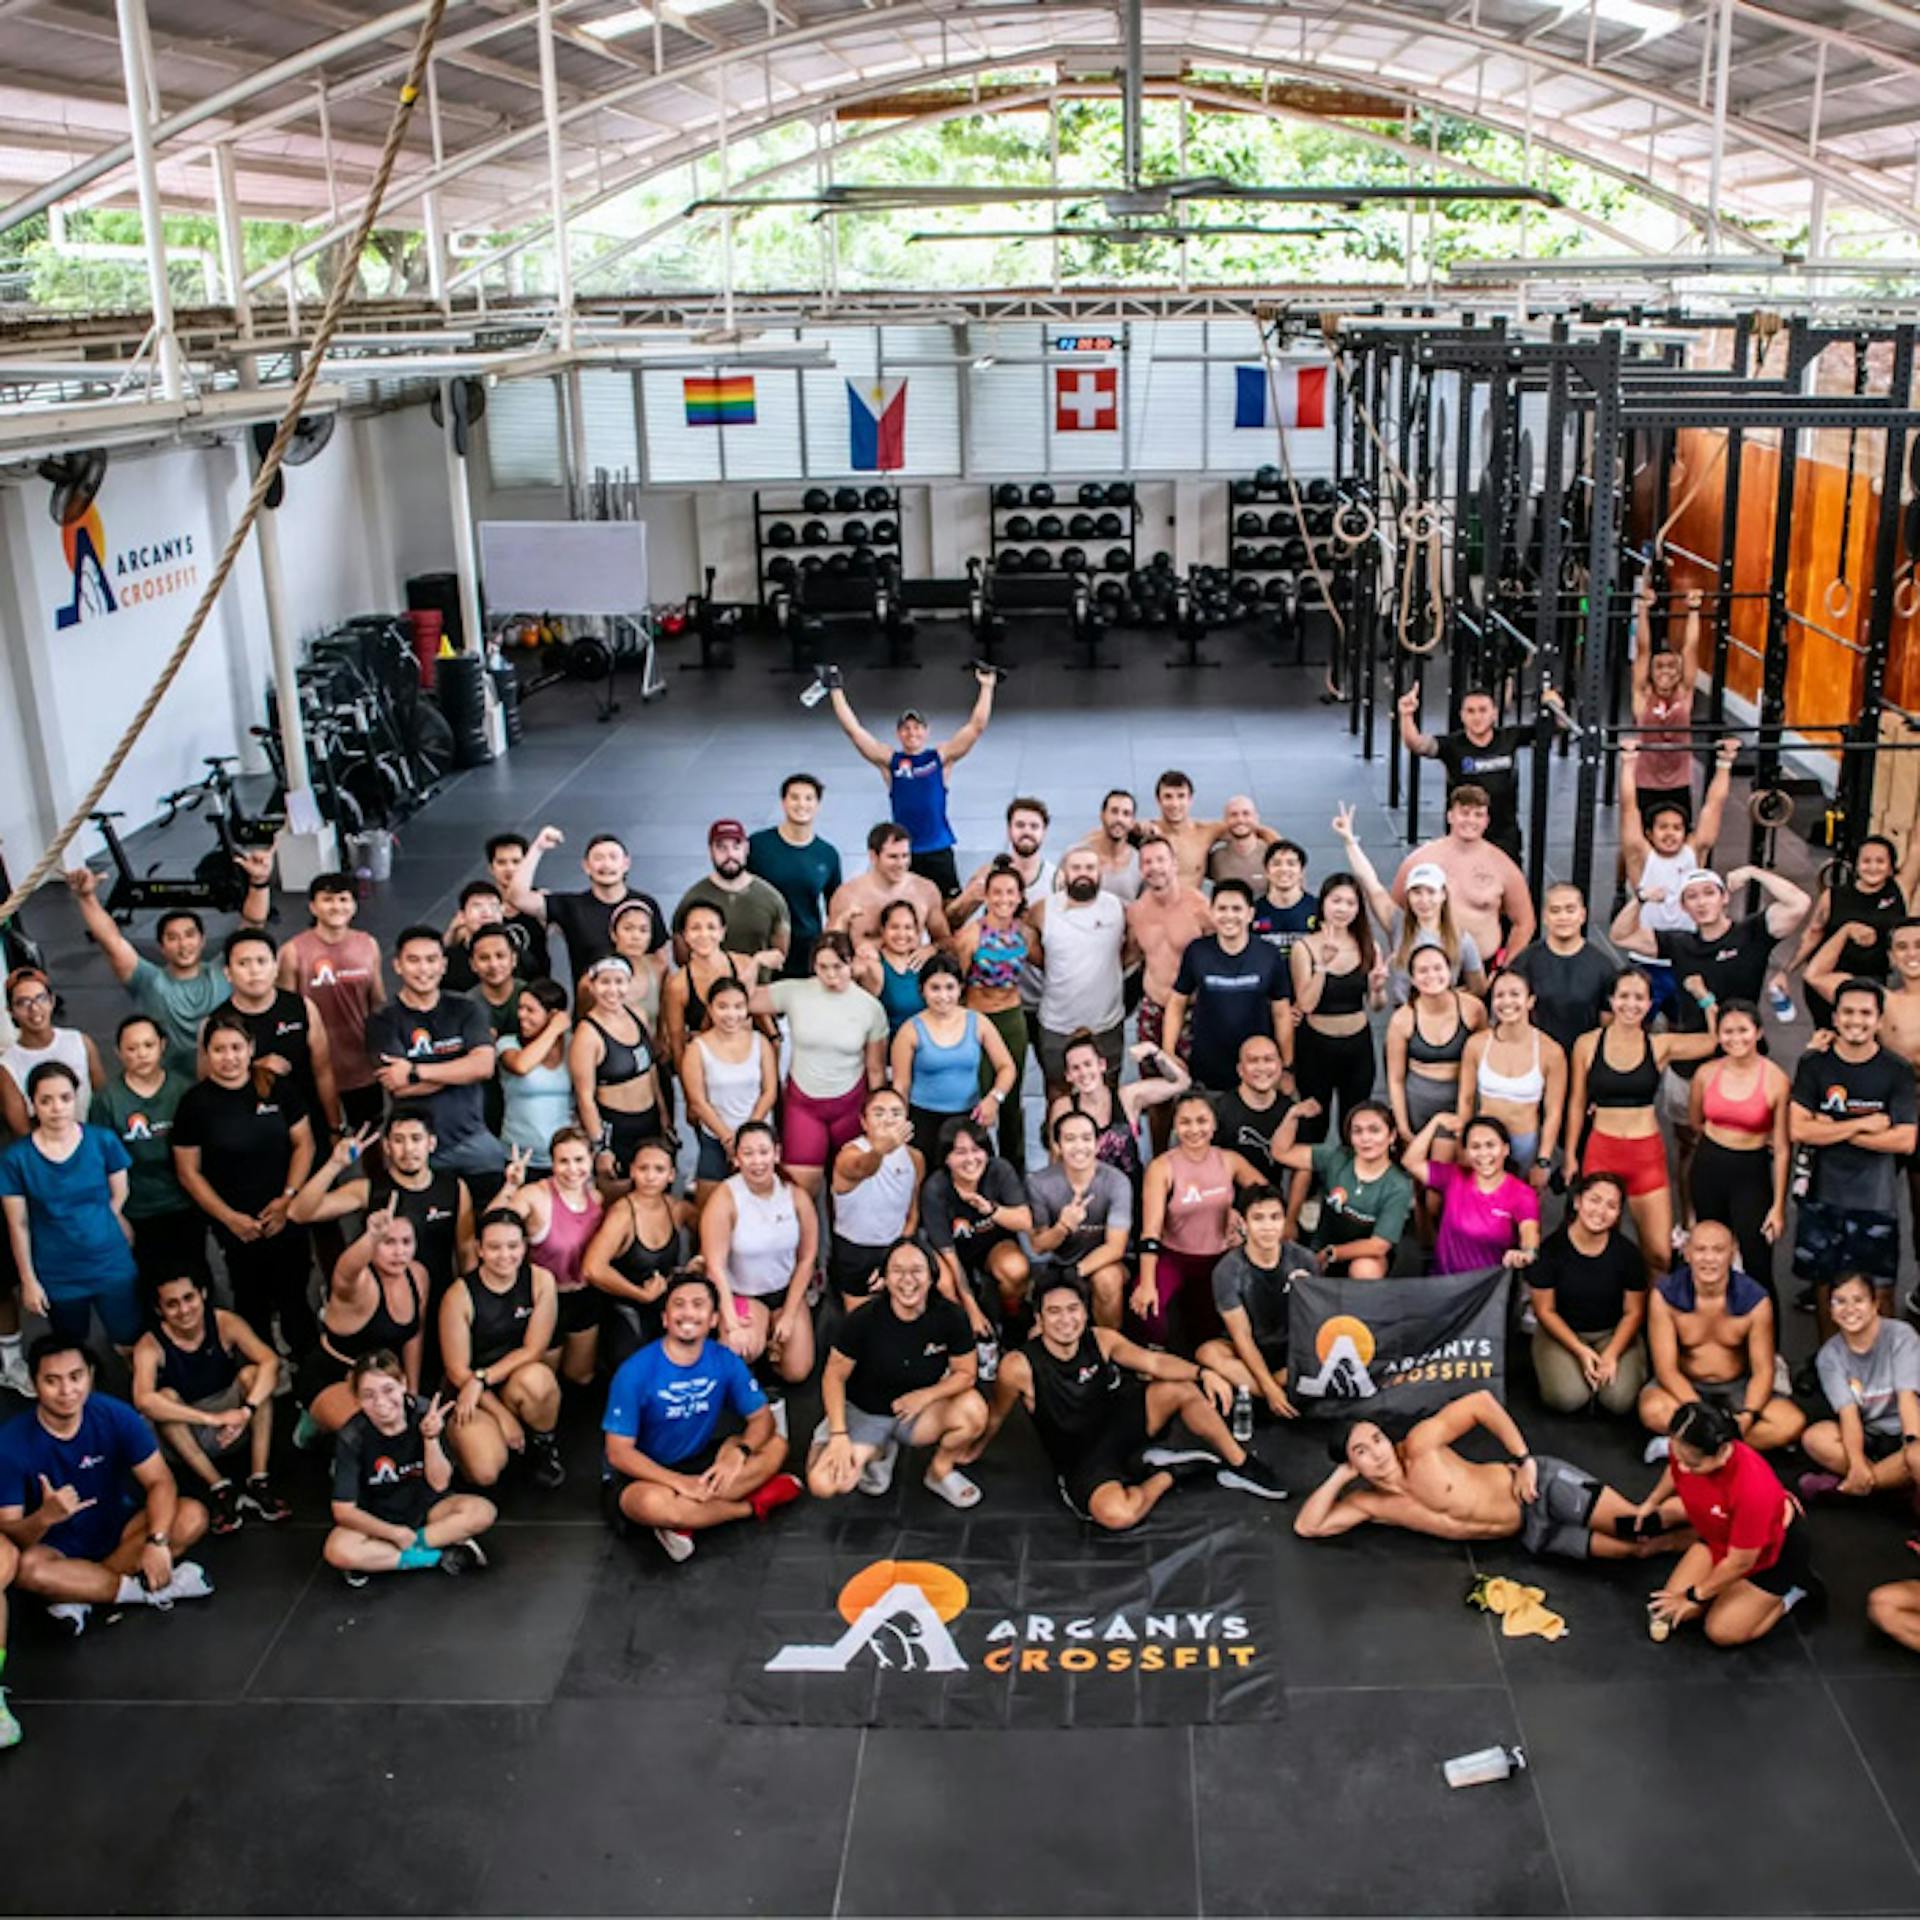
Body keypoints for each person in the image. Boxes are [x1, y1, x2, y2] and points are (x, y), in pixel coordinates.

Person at [967, 1271, 1287, 1527]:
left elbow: (1154, 1363)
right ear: (1039, 1318)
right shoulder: (1018, 1367)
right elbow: (997, 1414)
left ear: (1085, 1311)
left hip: (1119, 1424)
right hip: (1083, 1460)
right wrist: (973, 1450)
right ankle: (1171, 1473)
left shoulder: (1102, 1340)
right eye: (1054, 1312)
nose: (1066, 1320)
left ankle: (1241, 1464)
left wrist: (1203, 1373)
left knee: (1183, 1389)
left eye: (1073, 1309)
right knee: (1118, 1516)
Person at [1296, 1388, 1685, 1561]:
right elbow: (1308, 1527)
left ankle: (1717, 1508)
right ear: (1353, 1464)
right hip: (1533, 1534)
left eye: (1377, 1440)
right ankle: (1706, 1542)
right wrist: (1338, 1478)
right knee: (1640, 1550)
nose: (1377, 1453)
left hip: (1539, 1489)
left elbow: (1481, 1403)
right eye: (1361, 1452)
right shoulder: (1371, 1503)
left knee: (1635, 1525)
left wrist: (1525, 1458)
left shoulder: (1419, 1446)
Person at [0, 1335, 213, 1628]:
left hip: (118, 1528)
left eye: (76, 1377)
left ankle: (81, 1593)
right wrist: (44, 1518)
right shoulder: (10, 1444)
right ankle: (142, 1593)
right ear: (34, 1384)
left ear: (90, 1375)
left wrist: (158, 1540)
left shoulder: (115, 1415)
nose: (66, 1390)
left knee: (191, 1516)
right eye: (52, 1381)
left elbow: (160, 1481)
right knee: (28, 1570)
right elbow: (11, 1535)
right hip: (56, 1546)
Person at [602, 1271, 802, 1562]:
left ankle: (688, 1521)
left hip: (699, 1462)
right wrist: (679, 1484)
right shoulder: (634, 1372)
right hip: (644, 1475)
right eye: (678, 1304)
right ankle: (749, 1506)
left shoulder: (724, 1360)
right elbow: (619, 1454)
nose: (688, 1312)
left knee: (777, 1446)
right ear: (665, 1318)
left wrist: (740, 1453)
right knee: (654, 1505)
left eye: (698, 1305)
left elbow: (762, 1419)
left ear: (713, 1320)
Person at [1612, 864, 1811, 1140]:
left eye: (1709, 893)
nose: (1702, 902)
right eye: (1692, 896)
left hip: (1741, 1053)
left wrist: (1754, 872)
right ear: (1683, 907)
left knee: (1746, 1135)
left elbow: (1799, 903)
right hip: (1690, 1059)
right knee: (1687, 1140)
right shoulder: (1679, 944)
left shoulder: (1752, 933)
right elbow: (1620, 935)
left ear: (1724, 897)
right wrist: (1642, 899)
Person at [172, 1011, 316, 1356]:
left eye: (237, 1047)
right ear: (207, 1053)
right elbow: (189, 1172)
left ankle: (310, 1370)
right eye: (219, 1050)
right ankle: (265, 1368)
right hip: (237, 1226)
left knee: (295, 1294)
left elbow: (304, 1144)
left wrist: (288, 1199)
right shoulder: (195, 1104)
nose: (229, 1057)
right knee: (252, 1300)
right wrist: (229, 1218)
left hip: (285, 1215)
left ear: (251, 1048)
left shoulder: (277, 1088)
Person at [807, 1238, 988, 1510]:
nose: (907, 1280)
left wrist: (925, 1396)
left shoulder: (951, 1317)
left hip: (916, 1413)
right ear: (884, 1279)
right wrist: (839, 1434)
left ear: (931, 1277)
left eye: (916, 1270)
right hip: (865, 1411)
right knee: (824, 1483)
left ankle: (939, 1472)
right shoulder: (862, 1319)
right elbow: (833, 1376)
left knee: (974, 1410)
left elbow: (966, 1374)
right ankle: (878, 1451)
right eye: (897, 1271)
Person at [62, 850, 272, 1075]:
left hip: (223, 1079)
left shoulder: (223, 971)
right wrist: (87, 898)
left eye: (190, 935)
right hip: (171, 1088)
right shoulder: (147, 981)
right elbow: (111, 940)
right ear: (161, 946)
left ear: (202, 941)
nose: (183, 944)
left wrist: (259, 882)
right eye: (173, 938)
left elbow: (253, 924)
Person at [1563, 969, 1715, 1275]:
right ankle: (1616, 1315)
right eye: (1624, 996)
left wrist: (1703, 996)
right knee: (1599, 1246)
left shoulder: (1660, 1046)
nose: (1630, 1004)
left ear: (1649, 1004)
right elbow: (1577, 1103)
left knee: (1659, 1255)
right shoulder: (1587, 1045)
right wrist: (1569, 1157)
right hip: (1602, 1152)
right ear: (1612, 1000)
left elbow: (1714, 1040)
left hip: (1645, 1155)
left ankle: (1653, 1318)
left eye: (1639, 998)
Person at [1789, 977, 1917, 1324]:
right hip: (1821, 1197)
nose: (1855, 1020)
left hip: (1875, 1201)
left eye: (1865, 1013)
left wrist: (1828, 1128)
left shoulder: (1897, 1071)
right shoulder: (1814, 1065)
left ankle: (1882, 1372)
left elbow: (1905, 1140)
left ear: (1878, 1021)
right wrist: (1862, 1125)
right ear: (1834, 1017)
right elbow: (1798, 1128)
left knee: (1880, 1291)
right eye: (1847, 1012)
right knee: (1827, 1289)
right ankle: (1830, 1373)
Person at [1640, 1400, 1817, 1647]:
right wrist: (1652, 1502)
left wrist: (1694, 1594)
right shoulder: (1685, 1445)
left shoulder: (1752, 1489)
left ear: (1722, 1453)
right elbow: (1674, 1469)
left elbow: (1740, 1561)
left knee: (1720, 1631)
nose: (1682, 1467)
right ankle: (1731, 1593)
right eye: (1676, 1453)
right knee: (1679, 1612)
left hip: (1768, 1556)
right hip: (1722, 1535)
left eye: (1692, 1464)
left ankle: (1790, 1594)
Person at [288, 1111, 475, 1341]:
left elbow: (466, 1251)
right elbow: (299, 1213)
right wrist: (335, 1165)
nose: (408, 1149)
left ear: (431, 1143)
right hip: (385, 1310)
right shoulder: (369, 1189)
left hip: (439, 1301)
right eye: (398, 1140)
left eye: (416, 1139)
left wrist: (469, 1304)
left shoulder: (455, 1188)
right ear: (386, 1147)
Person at [131, 1271, 288, 1532]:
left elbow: (269, 1360)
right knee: (163, 1400)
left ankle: (258, 1479)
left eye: (188, 1298)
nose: (183, 1310)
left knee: (253, 1375)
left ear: (202, 1294)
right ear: (159, 1310)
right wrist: (213, 1419)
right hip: (188, 1434)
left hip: (234, 1425)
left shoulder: (225, 1322)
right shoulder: (149, 1345)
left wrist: (245, 1412)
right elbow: (143, 1400)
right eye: (172, 1304)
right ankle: (219, 1487)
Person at [0, 1061, 141, 1353]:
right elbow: (19, 1224)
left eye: (65, 1098)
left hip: (109, 1262)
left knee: (129, 1338)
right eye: (46, 1100)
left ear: (76, 1098)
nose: (56, 1108)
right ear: (33, 1104)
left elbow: (120, 1192)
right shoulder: (17, 1158)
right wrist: (29, 1281)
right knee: (70, 1346)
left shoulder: (102, 1141)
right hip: (57, 1271)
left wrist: (103, 1222)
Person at [322, 1352, 494, 1584]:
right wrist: (393, 1533)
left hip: (427, 1510)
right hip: (377, 1518)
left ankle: (384, 1557)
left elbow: (440, 1483)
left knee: (481, 1511)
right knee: (337, 1550)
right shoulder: (352, 1436)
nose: (381, 1403)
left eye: (388, 1390)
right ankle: (437, 1556)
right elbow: (344, 1510)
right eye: (368, 1396)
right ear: (358, 1399)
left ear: (403, 1384)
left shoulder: (425, 1414)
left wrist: (430, 1439)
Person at [827, 665, 998, 897]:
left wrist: (987, 687)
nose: (911, 732)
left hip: (938, 849)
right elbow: (854, 731)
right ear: (898, 734)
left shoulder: (939, 758)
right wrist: (836, 689)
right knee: (904, 915)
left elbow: (976, 727)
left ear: (926, 732)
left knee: (949, 917)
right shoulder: (890, 761)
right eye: (905, 728)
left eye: (917, 727)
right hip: (904, 854)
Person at [1639, 1221, 1805, 1456]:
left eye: (1718, 1250)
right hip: (1687, 1385)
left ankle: (1691, 1446)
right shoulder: (1664, 1295)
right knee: (1652, 1410)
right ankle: (1726, 1445)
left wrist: (1748, 1414)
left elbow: (1763, 1371)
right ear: (1687, 1253)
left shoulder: (1756, 1300)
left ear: (1732, 1253)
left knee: (1791, 1423)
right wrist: (1701, 1413)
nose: (1709, 1259)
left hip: (1738, 1386)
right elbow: (1666, 1369)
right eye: (1700, 1250)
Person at [363, 926, 505, 1186]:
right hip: (416, 1148)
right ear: (397, 966)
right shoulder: (383, 1020)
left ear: (443, 965)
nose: (423, 969)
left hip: (472, 1138)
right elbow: (398, 1086)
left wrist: (417, 1071)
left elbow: (484, 1067)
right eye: (413, 960)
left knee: (495, 1215)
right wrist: (462, 1071)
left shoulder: (466, 1008)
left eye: (431, 960)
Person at [439, 1209, 566, 1490]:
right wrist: (501, 1415)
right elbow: (457, 1369)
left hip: (509, 1379)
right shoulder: (458, 1296)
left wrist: (482, 1378)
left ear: (524, 1246)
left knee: (539, 1379)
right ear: (479, 1249)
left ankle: (542, 1446)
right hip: (469, 1391)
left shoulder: (540, 1280)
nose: (505, 1255)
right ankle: (465, 1442)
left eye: (513, 1246)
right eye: (494, 1247)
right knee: (485, 1472)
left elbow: (534, 1349)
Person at [1612, 739, 1739, 1020]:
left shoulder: (1693, 854)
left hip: (1687, 958)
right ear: (1650, 833)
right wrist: (1629, 761)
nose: (1670, 834)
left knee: (1685, 1030)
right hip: (1646, 960)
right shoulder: (1641, 857)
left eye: (1677, 828)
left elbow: (1714, 806)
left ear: (1685, 832)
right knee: (1635, 1030)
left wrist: (1725, 762)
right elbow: (1629, 808)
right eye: (1663, 828)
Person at [753, 933, 888, 1195]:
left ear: (851, 963)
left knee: (850, 1185)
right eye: (823, 967)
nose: (831, 975)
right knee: (801, 1188)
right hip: (804, 1104)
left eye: (838, 966)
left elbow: (876, 1070)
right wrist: (755, 964)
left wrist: (878, 1119)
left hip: (850, 1104)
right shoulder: (796, 991)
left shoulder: (870, 1007)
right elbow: (743, 999)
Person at [1133, 1093, 1263, 1348]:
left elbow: (1267, 1198)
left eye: (1202, 1121)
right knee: (1150, 1311)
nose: (1194, 1130)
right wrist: (1147, 1283)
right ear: (1174, 1126)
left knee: (1211, 1334)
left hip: (1221, 1260)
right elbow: (1150, 1231)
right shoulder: (1162, 1168)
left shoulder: (1229, 1161)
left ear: (1214, 1124)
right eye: (1185, 1122)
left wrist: (1241, 1214)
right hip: (1175, 1257)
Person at [700, 1120, 817, 1391]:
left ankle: (771, 1346)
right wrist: (731, 1321)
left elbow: (807, 1258)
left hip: (785, 1292)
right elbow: (714, 1266)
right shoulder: (725, 1197)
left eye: (763, 1152)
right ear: (736, 1158)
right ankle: (758, 1344)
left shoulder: (795, 1196)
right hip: (743, 1292)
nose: (757, 1161)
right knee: (736, 1352)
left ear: (776, 1154)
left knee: (797, 1370)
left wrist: (788, 1314)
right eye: (748, 1154)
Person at [291, 1205, 426, 1439]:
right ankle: (315, 1421)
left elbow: (414, 1335)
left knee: (411, 1428)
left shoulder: (418, 1275)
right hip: (335, 1375)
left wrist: (410, 1390)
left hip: (383, 1376)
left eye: (406, 1242)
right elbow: (345, 1272)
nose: (399, 1252)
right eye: (388, 1242)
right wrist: (373, 1235)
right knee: (374, 1431)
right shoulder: (358, 1283)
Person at [1686, 1000, 1791, 1300]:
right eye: (1727, 1032)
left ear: (1757, 1032)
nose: (1736, 1038)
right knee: (1710, 1258)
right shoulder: (1706, 1074)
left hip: (1751, 1173)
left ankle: (1768, 1344)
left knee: (1757, 1261)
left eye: (1743, 1030)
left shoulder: (1776, 1079)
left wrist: (1778, 1207)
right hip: (1709, 1166)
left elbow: (1782, 1147)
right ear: (1717, 1036)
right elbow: (1696, 1122)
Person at [93, 1014, 201, 1289]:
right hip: (137, 1209)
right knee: (149, 1284)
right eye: (132, 1048)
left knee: (196, 1276)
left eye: (148, 1045)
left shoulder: (184, 1090)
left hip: (184, 1203)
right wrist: (116, 1215)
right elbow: (100, 1163)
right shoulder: (106, 1100)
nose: (141, 1054)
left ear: (162, 1045)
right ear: (118, 1052)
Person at [1528, 1171, 1649, 1416]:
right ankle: (1558, 1365)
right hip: (1563, 1332)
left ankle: (1624, 1365)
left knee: (1619, 1401)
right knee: (1567, 1398)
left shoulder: (1628, 1254)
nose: (1601, 1211)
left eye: (1611, 1206)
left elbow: (1634, 1312)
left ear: (1617, 1214)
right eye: (1594, 1200)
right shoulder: (1551, 1250)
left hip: (1611, 1332)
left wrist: (1612, 1354)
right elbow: (1544, 1310)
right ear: (1577, 1202)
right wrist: (1580, 1351)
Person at [1798, 1270, 1920, 1503]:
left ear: (1875, 1304)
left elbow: (1908, 1400)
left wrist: (1912, 1445)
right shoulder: (1829, 1355)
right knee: (1816, 1438)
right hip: (1871, 1435)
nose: (1849, 1309)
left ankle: (1847, 1490)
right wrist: (1855, 1463)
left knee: (1918, 1456)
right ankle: (1890, 1483)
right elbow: (1848, 1414)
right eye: (1840, 1302)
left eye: (1858, 1300)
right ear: (1831, 1311)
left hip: (1910, 1429)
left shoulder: (1901, 1336)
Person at [278, 871, 387, 1129]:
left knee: (370, 1135)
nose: (336, 906)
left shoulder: (368, 945)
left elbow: (378, 1001)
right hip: (313, 1064)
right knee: (322, 1136)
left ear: (353, 906)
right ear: (313, 906)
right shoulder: (293, 951)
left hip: (360, 1063)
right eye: (328, 900)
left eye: (343, 899)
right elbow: (284, 1011)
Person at [1163, 879, 1291, 1097]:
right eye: (1222, 908)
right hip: (1207, 1069)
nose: (1229, 915)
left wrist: (1286, 1065)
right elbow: (1176, 1003)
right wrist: (1168, 1051)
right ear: (1212, 912)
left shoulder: (1268, 954)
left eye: (1236, 909)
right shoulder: (1197, 951)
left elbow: (1281, 1012)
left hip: (1257, 1071)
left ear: (1250, 914)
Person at [951, 859, 1040, 1169]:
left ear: (1019, 896)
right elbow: (956, 984)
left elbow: (1043, 962)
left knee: (1012, 1097)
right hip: (978, 1018)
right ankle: (976, 1163)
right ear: (986, 896)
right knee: (980, 1092)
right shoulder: (970, 937)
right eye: (997, 893)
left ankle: (1015, 1166)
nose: (1004, 899)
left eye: (1010, 893)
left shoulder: (1025, 935)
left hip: (1012, 1018)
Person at [499, 1129, 605, 1387]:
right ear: (552, 1163)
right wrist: (511, 1187)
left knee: (580, 1377)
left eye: (579, 1160)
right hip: (544, 1299)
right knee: (546, 1380)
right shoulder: (535, 1195)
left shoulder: (596, 1197)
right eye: (563, 1161)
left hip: (584, 1295)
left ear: (591, 1160)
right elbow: (496, 1227)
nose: (572, 1169)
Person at [1288, 872, 1385, 1150]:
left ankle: (1351, 1184)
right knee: (1313, 1122)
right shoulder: (1304, 947)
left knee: (1354, 1119)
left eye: (1350, 903)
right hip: (1316, 1044)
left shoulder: (1369, 946)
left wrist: (1377, 988)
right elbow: (1305, 1004)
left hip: (1357, 1044)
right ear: (1323, 904)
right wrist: (1322, 966)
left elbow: (1377, 1007)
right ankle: (1311, 1185)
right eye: (1336, 901)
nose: (1342, 909)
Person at [1196, 1184, 1309, 1420]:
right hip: (1248, 1348)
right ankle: (1275, 1395)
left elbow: (1314, 1321)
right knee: (1207, 1353)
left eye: (1275, 1217)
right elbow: (1242, 1337)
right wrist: (1269, 1388)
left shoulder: (1303, 1260)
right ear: (1244, 1224)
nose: (1268, 1227)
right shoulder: (1228, 1270)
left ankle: (1255, 1390)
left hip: (1291, 1348)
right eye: (1258, 1219)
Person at [211, 926, 338, 1137]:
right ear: (228, 973)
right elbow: (210, 1085)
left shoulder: (302, 1008)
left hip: (307, 1125)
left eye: (262, 961)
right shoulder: (216, 1022)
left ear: (275, 967)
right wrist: (252, 1069)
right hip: (249, 1132)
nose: (254, 971)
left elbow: (323, 1072)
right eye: (243, 963)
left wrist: (335, 1126)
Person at [1268, 1098, 1415, 1279]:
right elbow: (1281, 1153)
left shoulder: (1397, 1185)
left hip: (1364, 1255)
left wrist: (1332, 1253)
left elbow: (1379, 1245)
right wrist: (1292, 1116)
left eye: (1374, 1130)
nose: (1365, 1138)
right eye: (1357, 1131)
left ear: (1391, 1136)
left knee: (1365, 1270)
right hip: (1321, 1245)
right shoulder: (1337, 1157)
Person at [1389, 786, 1536, 964]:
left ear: (1487, 820)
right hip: (1428, 968)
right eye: (1464, 813)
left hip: (1484, 968)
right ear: (1450, 816)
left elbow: (1525, 922)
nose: (1471, 820)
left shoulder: (1503, 866)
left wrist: (1505, 968)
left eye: (1478, 815)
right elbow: (1394, 914)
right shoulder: (1419, 860)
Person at [891, 952, 1016, 1162]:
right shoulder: (909, 1030)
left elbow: (1007, 1067)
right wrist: (898, 1123)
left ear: (960, 988)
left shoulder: (978, 1022)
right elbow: (901, 1084)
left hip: (970, 1115)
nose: (943, 996)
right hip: (924, 1119)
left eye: (949, 987)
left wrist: (994, 1098)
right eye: (935, 988)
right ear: (923, 990)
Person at [1786, 833, 1920, 1029]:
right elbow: (1812, 934)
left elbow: (1917, 846)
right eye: (1866, 861)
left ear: (1891, 867)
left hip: (1873, 980)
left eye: (1880, 861)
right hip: (1830, 979)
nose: (1872, 867)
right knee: (1831, 1037)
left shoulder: (1899, 890)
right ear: (1856, 865)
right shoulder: (1834, 896)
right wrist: (1786, 971)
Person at [921, 1118, 1033, 1351]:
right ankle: (962, 1334)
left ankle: (1012, 1322)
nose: (970, 1160)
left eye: (976, 1150)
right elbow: (948, 1254)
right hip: (951, 1252)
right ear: (946, 1158)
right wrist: (972, 1311)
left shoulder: (999, 1170)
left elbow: (1024, 1220)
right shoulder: (935, 1189)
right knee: (945, 1285)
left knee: (1016, 1269)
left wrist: (991, 1210)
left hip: (992, 1246)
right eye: (960, 1152)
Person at [582, 1139, 698, 1363]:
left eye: (659, 1169)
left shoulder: (677, 1209)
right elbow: (592, 1268)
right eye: (643, 1168)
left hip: (665, 1309)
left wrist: (698, 1262)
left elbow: (709, 1227)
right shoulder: (622, 1214)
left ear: (671, 1175)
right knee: (635, 1366)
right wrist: (640, 1294)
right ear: (632, 1171)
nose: (651, 1176)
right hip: (626, 1307)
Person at [1032, 846, 1134, 1095]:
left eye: (1090, 867)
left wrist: (1114, 967)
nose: (1083, 873)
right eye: (1076, 868)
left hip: (1106, 1022)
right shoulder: (1042, 911)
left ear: (1100, 872)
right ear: (1063, 872)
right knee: (1057, 1090)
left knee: (1107, 1091)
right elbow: (1031, 951)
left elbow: (1134, 947)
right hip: (1057, 1022)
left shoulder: (1118, 908)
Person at [1396, 684, 1535, 863]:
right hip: (1464, 833)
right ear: (1462, 716)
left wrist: (1554, 704)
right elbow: (1417, 744)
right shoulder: (1452, 745)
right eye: (1470, 711)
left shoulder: (1510, 737)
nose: (1477, 717)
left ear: (1494, 713)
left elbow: (1553, 728)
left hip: (1504, 834)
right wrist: (1406, 715)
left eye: (1483, 710)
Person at [503, 825, 667, 975]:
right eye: (598, 858)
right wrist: (538, 848)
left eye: (613, 857)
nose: (606, 864)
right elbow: (517, 897)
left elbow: (661, 961)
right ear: (586, 866)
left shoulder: (645, 904)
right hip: (589, 1002)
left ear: (626, 864)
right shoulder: (572, 906)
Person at [1043, 1032, 1189, 1195]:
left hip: (1130, 1196)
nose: (1084, 1073)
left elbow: (1182, 1082)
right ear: (1068, 1076)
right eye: (1075, 1068)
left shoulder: (1128, 1097)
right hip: (1087, 1199)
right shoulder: (1064, 1107)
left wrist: (1154, 1051)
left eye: (1088, 1064)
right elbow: (1055, 1158)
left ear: (1102, 1065)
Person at [1026, 1108, 1133, 1329]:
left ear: (1097, 1143)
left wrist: (1075, 1273)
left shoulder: (1117, 1182)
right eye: (1070, 1139)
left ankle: (1108, 1349)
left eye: (1086, 1138)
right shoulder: (1039, 1183)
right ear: (1057, 1145)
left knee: (1107, 1279)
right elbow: (1038, 1246)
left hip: (1105, 1262)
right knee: (1037, 1333)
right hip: (1059, 1264)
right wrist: (1063, 1226)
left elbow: (1116, 1247)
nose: (1079, 1147)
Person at [1402, 1114, 1540, 1277]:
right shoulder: (1453, 1176)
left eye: (1490, 1145)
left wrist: (1527, 1254)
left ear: (1505, 1149)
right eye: (1475, 1147)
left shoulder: (1522, 1194)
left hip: (1488, 1288)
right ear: (1466, 1152)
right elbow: (1410, 1162)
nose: (1483, 1153)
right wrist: (1435, 1122)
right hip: (1443, 1279)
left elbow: (1530, 1233)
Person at [569, 956, 668, 1183]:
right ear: (592, 986)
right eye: (605, 982)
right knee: (619, 1195)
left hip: (649, 1118)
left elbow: (649, 1071)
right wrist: (601, 1147)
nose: (612, 990)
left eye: (619, 982)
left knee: (655, 1190)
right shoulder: (587, 1035)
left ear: (629, 984)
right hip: (616, 1126)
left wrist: (663, 1116)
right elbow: (585, 1097)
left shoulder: (638, 1016)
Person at [1460, 968, 1566, 1175]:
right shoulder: (1477, 1044)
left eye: (1515, 994)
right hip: (1483, 1143)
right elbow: (1465, 1099)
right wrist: (1463, 1144)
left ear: (1530, 1001)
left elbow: (1553, 1111)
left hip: (1523, 1143)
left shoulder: (1551, 1051)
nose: (1507, 1002)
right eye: (1499, 995)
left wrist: (1543, 1160)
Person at [680, 976, 778, 1202]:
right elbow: (698, 1101)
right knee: (708, 1205)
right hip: (716, 1137)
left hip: (757, 1137)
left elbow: (769, 1091)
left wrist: (748, 1134)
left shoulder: (760, 1042)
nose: (731, 1014)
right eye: (723, 1007)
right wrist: (727, 1138)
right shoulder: (697, 1048)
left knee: (758, 1203)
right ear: (710, 1009)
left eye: (738, 1007)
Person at [827, 1087, 924, 1311]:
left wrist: (898, 1254)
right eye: (879, 1113)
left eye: (896, 1113)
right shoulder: (848, 1154)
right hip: (855, 1250)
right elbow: (863, 1168)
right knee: (861, 1321)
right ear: (864, 1121)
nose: (888, 1120)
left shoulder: (915, 1158)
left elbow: (912, 1211)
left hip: (896, 1246)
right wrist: (880, 1150)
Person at [1385, 944, 1485, 1143]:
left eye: (1438, 968)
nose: (1431, 975)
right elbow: (1395, 1079)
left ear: (1450, 971)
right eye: (1422, 970)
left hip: (1461, 1098)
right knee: (1419, 1168)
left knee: (1452, 1166)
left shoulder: (1472, 1009)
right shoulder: (1401, 1019)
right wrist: (1403, 1127)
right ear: (1412, 979)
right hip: (1419, 1101)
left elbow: (1485, 1060)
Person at [747, 774, 843, 978]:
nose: (801, 804)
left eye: (809, 798)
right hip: (763, 947)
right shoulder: (757, 845)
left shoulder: (827, 854)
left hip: (806, 950)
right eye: (795, 797)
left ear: (818, 805)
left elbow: (835, 908)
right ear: (783, 802)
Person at [1508, 882, 1617, 1060]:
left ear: (1583, 915)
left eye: (1570, 909)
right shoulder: (1524, 962)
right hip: (1535, 1058)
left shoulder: (1603, 966)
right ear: (1544, 916)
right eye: (1555, 910)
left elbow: (1608, 1024)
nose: (1563, 917)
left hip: (1583, 1061)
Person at [1628, 583, 1704, 826]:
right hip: (1646, 783)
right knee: (1642, 844)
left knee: (1680, 841)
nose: (1666, 672)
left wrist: (1693, 610)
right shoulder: (1642, 695)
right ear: (1651, 671)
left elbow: (1690, 648)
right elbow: (1643, 650)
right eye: (1660, 666)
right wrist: (1642, 609)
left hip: (1679, 783)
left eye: (1672, 666)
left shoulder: (1684, 693)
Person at [0, 966, 104, 1136]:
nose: (34, 1008)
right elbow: (22, 1130)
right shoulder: (7, 1066)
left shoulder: (80, 1042)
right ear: (11, 1011)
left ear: (52, 1001)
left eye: (40, 998)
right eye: (23, 1002)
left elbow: (103, 1099)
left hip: (90, 1140)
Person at [674, 819, 790, 972]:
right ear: (711, 851)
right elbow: (681, 958)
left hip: (759, 990)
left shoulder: (772, 898)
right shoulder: (692, 899)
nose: (730, 855)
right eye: (721, 848)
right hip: (707, 990)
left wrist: (755, 964)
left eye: (736, 847)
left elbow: (780, 954)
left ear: (746, 849)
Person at [659, 901, 758, 1072]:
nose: (704, 934)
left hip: (746, 1059)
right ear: (685, 935)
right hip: (707, 1066)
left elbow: (759, 1015)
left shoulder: (744, 964)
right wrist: (688, 1087)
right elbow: (677, 1042)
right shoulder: (678, 985)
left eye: (711, 927)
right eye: (695, 928)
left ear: (722, 932)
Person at [827, 824, 951, 948]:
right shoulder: (847, 896)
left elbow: (945, 941)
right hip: (864, 965)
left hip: (910, 966)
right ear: (873, 856)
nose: (901, 864)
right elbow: (829, 947)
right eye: (893, 857)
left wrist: (931, 949)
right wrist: (841, 922)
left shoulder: (926, 891)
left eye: (905, 856)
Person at [498, 979, 575, 1173]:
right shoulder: (507, 1044)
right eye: (520, 1008)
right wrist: (554, 1029)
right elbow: (521, 1065)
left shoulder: (573, 1045)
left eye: (530, 1010)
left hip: (565, 1157)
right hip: (519, 1157)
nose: (521, 1015)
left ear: (553, 1014)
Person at [948, 797, 1055, 926]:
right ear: (1009, 830)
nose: (1027, 831)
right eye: (1020, 825)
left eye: (1034, 826)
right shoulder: (988, 873)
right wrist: (968, 898)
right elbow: (952, 921)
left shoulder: (1056, 878)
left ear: (1044, 832)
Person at [1211, 1033, 1291, 1184]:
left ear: (1280, 1066)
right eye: (1253, 1061)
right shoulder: (1219, 1110)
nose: (1261, 1067)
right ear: (1240, 1069)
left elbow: (1302, 1171)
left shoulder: (1291, 1111)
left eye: (1268, 1059)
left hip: (1273, 1201)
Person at [855, 898, 933, 1037]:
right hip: (887, 1048)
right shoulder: (872, 962)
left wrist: (933, 948)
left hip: (924, 1047)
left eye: (908, 927)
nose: (901, 934)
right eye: (894, 927)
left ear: (917, 931)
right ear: (882, 930)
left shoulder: (925, 961)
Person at [484, 830, 553, 979]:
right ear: (491, 868)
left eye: (516, 862)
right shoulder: (482, 906)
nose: (509, 868)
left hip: (537, 988)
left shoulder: (540, 901)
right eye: (501, 862)